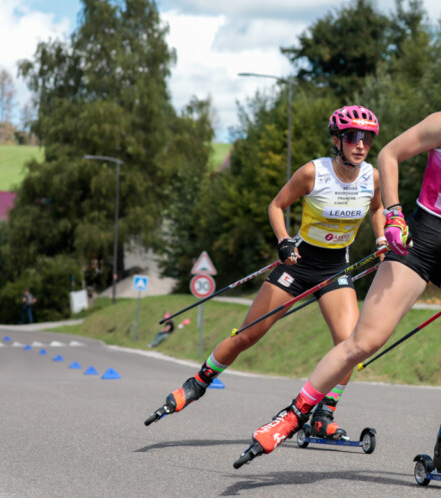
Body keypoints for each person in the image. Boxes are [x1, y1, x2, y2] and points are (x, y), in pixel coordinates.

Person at [240, 41, 441, 476]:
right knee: (363, 343)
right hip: (419, 243)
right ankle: (292, 415)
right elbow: (389, 154)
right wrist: (392, 214)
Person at [147, 105, 387, 440]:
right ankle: (197, 383)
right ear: (337, 140)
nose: (360, 145)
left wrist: (381, 238)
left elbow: (377, 208)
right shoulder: (313, 173)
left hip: (335, 268)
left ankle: (323, 414)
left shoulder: (372, 177)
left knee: (351, 346)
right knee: (248, 335)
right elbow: (276, 205)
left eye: (367, 139)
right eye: (352, 137)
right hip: (299, 264)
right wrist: (284, 240)